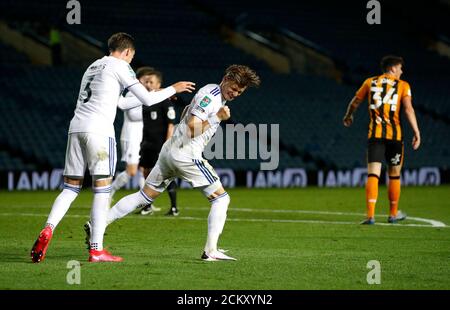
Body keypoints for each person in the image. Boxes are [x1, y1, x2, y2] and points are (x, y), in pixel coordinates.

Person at [30, 32, 195, 263]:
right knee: (102, 190)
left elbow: (123, 102)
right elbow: (146, 101)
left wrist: (156, 92)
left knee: (70, 188)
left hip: (76, 128)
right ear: (127, 52)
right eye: (131, 56)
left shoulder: (93, 66)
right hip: (99, 132)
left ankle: (48, 228)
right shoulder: (121, 65)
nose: (130, 60)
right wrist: (172, 89)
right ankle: (96, 250)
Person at [98, 64, 260, 261]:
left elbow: (186, 113)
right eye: (233, 87)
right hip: (187, 154)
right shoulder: (212, 97)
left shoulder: (210, 92)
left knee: (144, 196)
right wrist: (217, 117)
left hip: (170, 151)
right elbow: (192, 129)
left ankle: (98, 224)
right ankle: (210, 251)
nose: (235, 93)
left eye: (239, 91)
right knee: (221, 199)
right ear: (226, 78)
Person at [343, 55, 421, 225]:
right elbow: (408, 110)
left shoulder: (369, 82)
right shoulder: (403, 86)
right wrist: (416, 132)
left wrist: (348, 115)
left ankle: (370, 216)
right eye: (400, 68)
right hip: (395, 137)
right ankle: (393, 214)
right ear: (393, 68)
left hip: (375, 136)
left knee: (373, 174)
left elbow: (355, 102)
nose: (401, 71)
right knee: (394, 175)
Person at [136, 67, 179, 216]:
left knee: (164, 174)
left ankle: (174, 207)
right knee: (146, 172)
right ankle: (147, 206)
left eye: (151, 82)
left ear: (158, 84)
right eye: (146, 81)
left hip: (159, 144)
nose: (148, 84)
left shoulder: (165, 102)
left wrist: (166, 144)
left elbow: (171, 125)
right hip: (146, 143)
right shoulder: (145, 102)